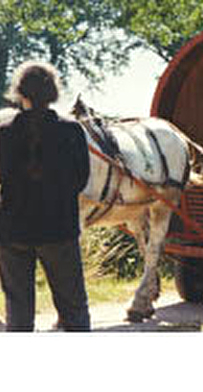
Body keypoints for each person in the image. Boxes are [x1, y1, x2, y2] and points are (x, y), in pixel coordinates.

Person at [0, 61, 91, 331]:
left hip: (12, 234)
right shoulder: (72, 131)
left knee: (18, 315)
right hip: (59, 230)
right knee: (74, 311)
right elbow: (80, 180)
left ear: (19, 93)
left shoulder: (3, 133)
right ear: (53, 92)